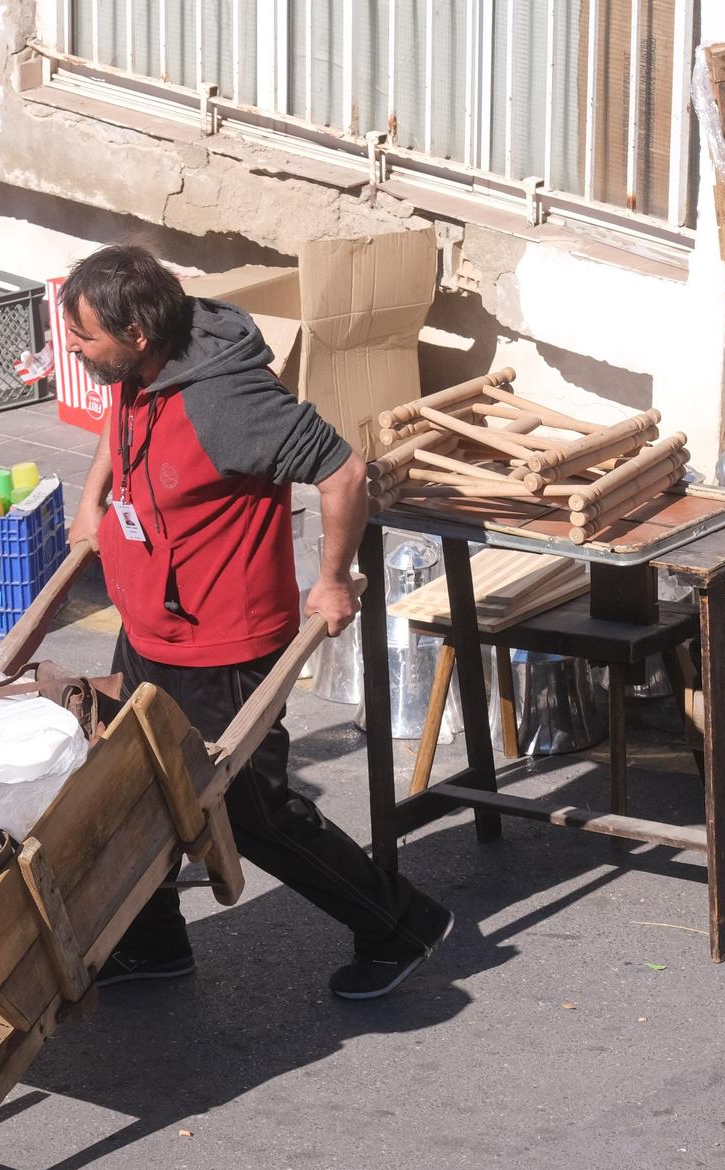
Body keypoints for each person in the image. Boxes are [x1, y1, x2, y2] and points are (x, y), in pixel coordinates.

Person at [60, 243, 452, 1000]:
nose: (75, 349)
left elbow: (342, 472)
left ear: (137, 333)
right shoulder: (142, 366)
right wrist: (93, 499)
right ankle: (154, 941)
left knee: (252, 810)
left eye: (86, 337)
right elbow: (120, 423)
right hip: (150, 627)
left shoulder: (225, 400)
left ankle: (400, 924)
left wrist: (331, 581)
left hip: (222, 645)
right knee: (136, 783)